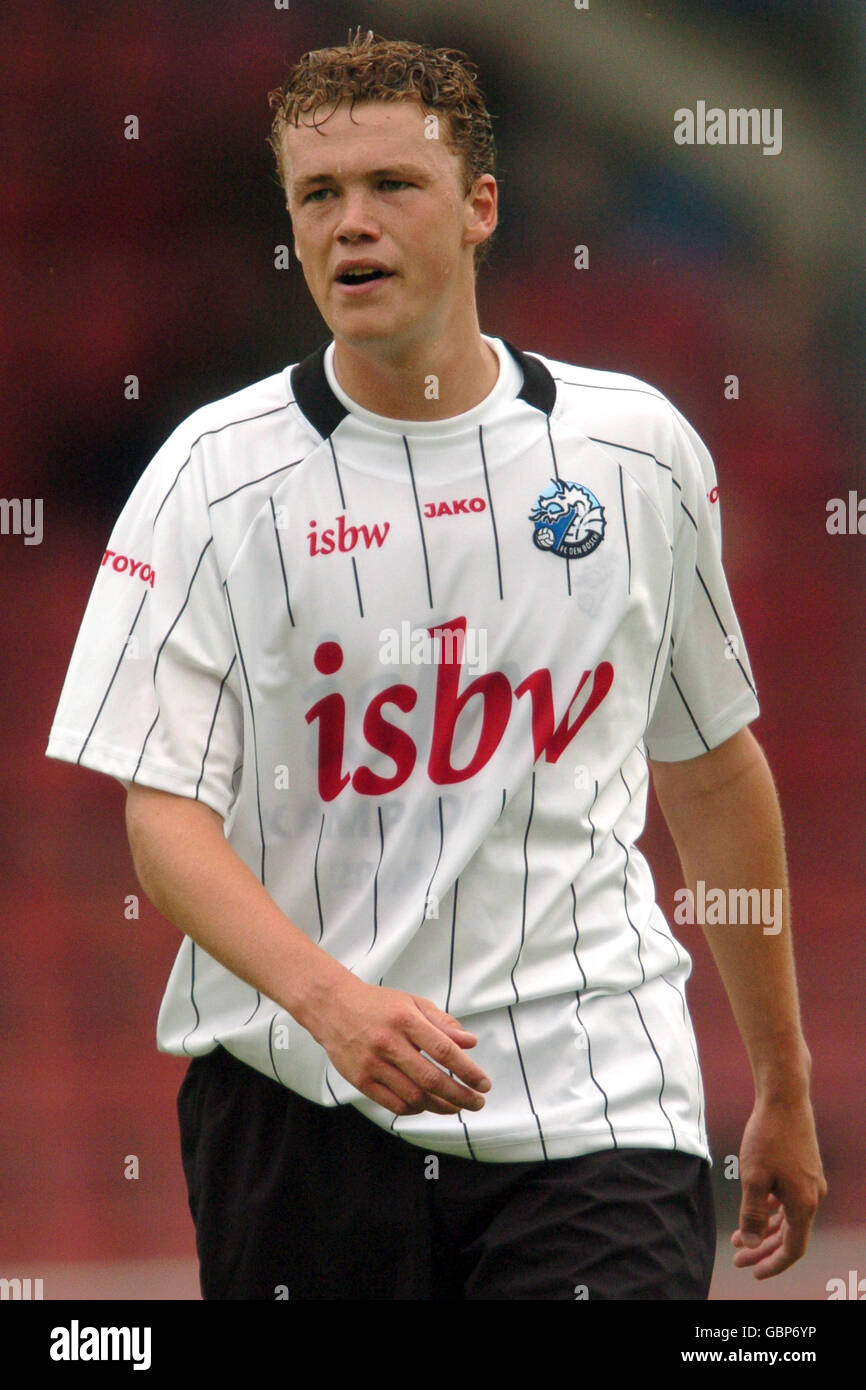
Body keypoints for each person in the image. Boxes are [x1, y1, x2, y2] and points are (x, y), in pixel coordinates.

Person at [46, 30, 825, 1300]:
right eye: (317, 195)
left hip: (596, 1108)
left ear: (478, 209)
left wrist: (780, 1084)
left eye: (390, 187)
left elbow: (710, 767)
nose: (349, 225)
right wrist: (332, 1003)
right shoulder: (209, 476)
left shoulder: (633, 453)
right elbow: (162, 817)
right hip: (297, 1112)